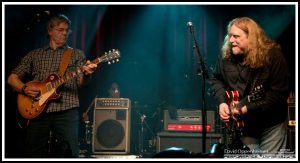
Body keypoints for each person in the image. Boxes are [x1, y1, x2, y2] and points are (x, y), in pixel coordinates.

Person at [7, 14, 97, 158]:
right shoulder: (35, 54)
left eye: (67, 30)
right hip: (37, 110)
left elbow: (81, 83)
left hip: (66, 109)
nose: (65, 33)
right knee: (32, 153)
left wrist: (87, 74)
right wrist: (24, 88)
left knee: (70, 153)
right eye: (60, 30)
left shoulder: (76, 54)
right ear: (50, 31)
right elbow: (12, 78)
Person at [209, 17, 290, 157]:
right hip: (244, 126)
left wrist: (248, 108)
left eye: (236, 36)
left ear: (251, 38)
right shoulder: (226, 56)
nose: (231, 40)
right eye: (230, 36)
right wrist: (222, 101)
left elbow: (279, 95)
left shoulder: (273, 57)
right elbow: (216, 79)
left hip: (271, 125)